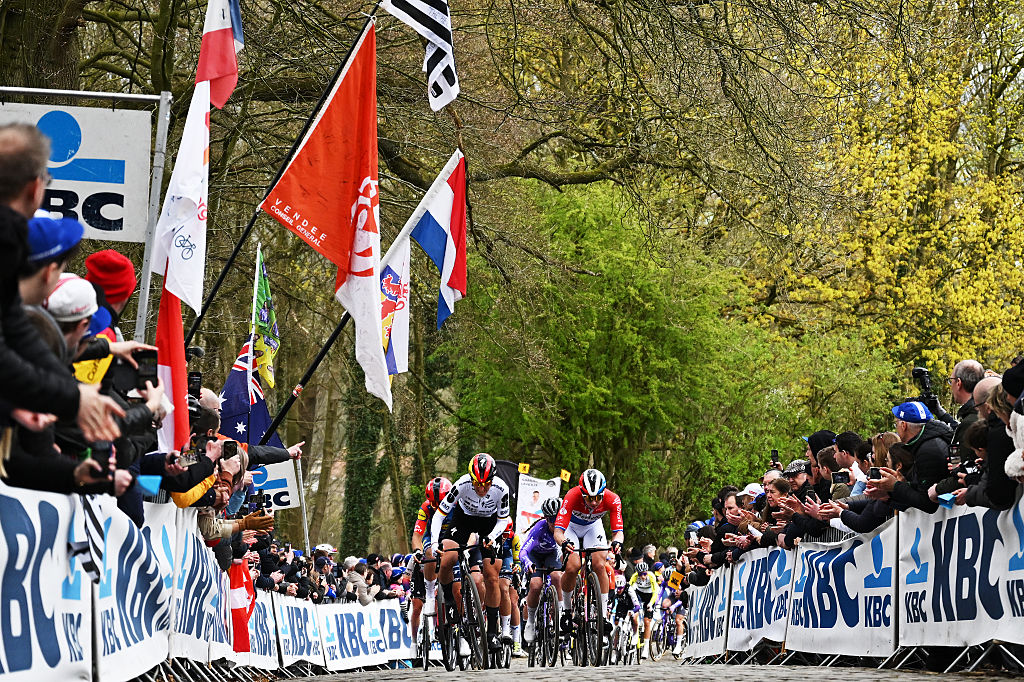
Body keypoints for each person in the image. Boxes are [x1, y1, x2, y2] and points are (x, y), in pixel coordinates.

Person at [0, 123, 123, 444]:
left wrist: (74, 392)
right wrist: (72, 398)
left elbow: (14, 325)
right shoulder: (7, 241)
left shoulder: (9, 240)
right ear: (34, 188)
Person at [431, 453, 511, 653]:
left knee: (492, 576)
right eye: (477, 484)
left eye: (486, 484)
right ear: (471, 479)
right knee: (447, 558)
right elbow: (439, 515)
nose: (482, 489)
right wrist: (434, 542)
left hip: (490, 524)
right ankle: (449, 599)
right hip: (463, 520)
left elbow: (504, 520)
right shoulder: (462, 484)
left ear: (492, 480)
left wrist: (492, 536)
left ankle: (492, 632)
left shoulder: (502, 489)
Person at [553, 468, 624, 633]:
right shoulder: (571, 496)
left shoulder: (613, 499)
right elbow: (558, 531)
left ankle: (603, 615)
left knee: (600, 565)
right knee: (573, 566)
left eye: (598, 498)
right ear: (582, 493)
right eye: (589, 498)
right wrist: (563, 543)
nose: (593, 503)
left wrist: (617, 543)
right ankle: (567, 610)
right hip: (570, 527)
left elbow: (618, 532)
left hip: (593, 527)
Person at [409, 475, 451, 643]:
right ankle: (430, 592)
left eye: (440, 502)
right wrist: (417, 550)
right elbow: (417, 534)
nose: (437, 506)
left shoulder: (456, 503)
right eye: (434, 503)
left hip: (450, 537)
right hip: (431, 538)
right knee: (429, 554)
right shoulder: (426, 507)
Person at [521, 496, 562, 643]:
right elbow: (523, 552)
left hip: (551, 555)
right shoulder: (539, 529)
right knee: (536, 584)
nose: (555, 524)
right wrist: (527, 563)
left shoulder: (566, 528)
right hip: (535, 556)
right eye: (552, 520)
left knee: (557, 576)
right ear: (546, 519)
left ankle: (560, 613)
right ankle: (531, 621)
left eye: (558, 520)